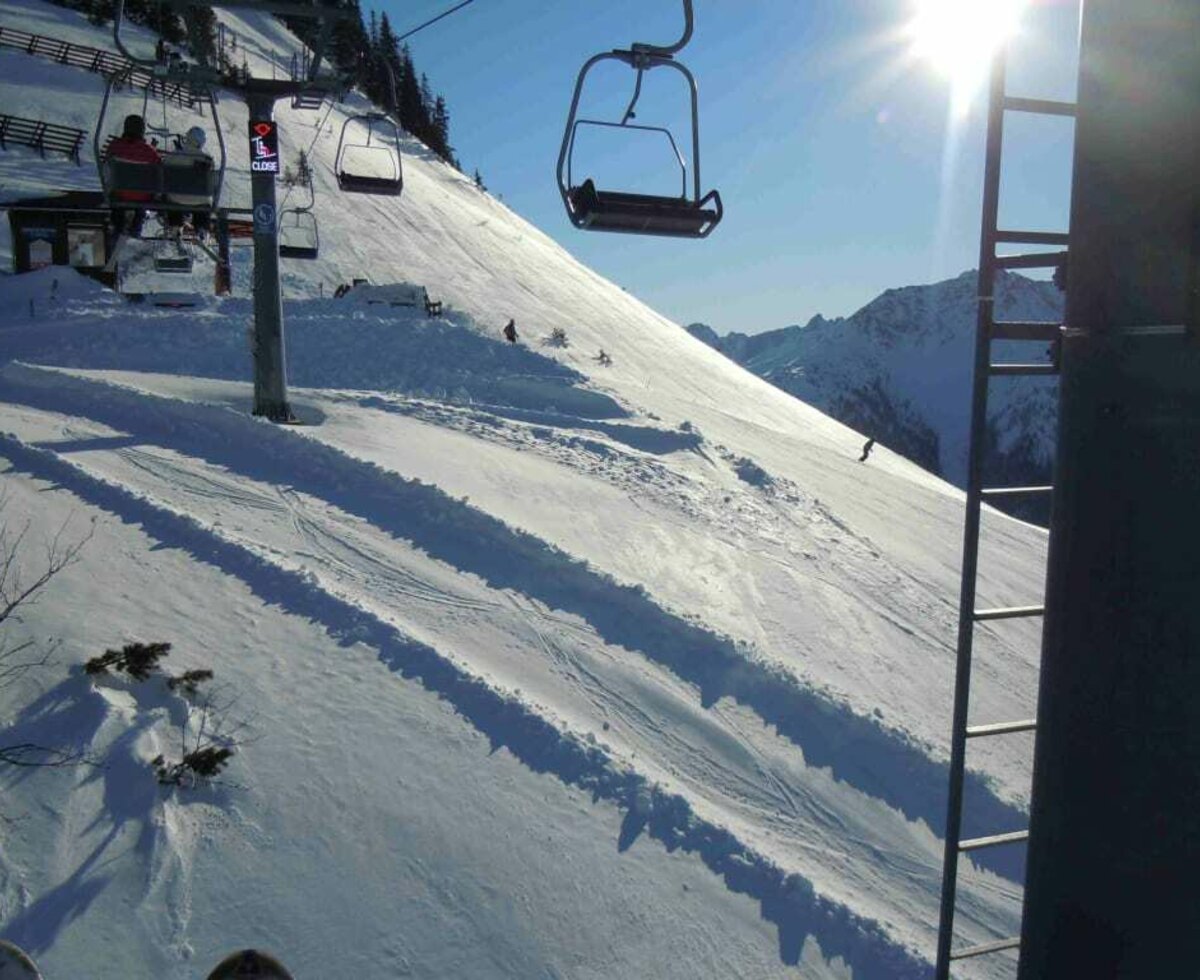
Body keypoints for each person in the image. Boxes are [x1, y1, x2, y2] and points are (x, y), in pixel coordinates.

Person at [105, 114, 161, 237]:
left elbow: (107, 166)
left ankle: (118, 228)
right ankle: (136, 228)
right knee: (141, 199)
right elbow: (158, 172)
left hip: (119, 193)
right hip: (142, 197)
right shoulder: (149, 151)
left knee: (118, 199)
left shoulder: (115, 146)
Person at [163, 126, 214, 237]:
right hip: (201, 201)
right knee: (202, 202)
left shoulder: (173, 156)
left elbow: (164, 173)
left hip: (176, 198)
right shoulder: (207, 159)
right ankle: (201, 227)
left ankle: (175, 226)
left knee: (174, 197)